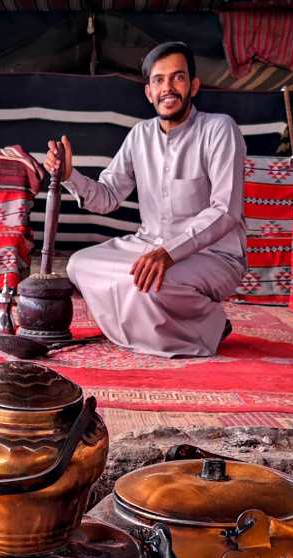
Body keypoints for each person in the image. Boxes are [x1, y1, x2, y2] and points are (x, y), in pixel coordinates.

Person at [45, 41, 247, 358]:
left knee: (151, 285)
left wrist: (169, 252)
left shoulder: (219, 129)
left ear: (193, 86)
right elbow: (107, 197)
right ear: (149, 93)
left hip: (213, 255)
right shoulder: (140, 135)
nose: (168, 87)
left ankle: (210, 323)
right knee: (79, 265)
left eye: (177, 78)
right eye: (158, 80)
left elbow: (225, 211)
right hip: (150, 245)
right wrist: (70, 175)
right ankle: (149, 325)